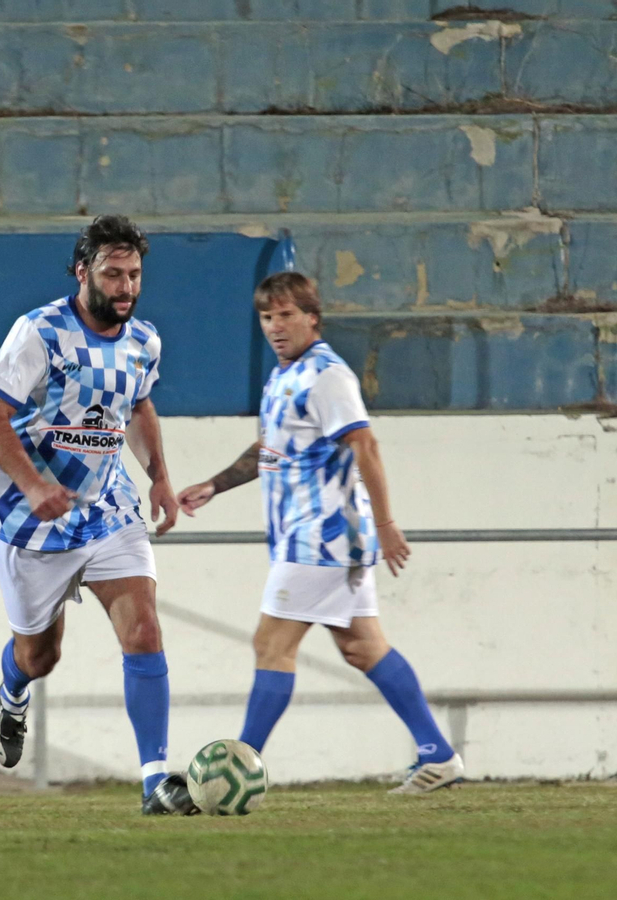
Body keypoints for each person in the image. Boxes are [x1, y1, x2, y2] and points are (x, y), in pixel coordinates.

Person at [176, 271, 464, 794]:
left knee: (270, 644)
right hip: (316, 539)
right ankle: (438, 754)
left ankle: (235, 772)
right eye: (267, 317)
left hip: (322, 537)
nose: (276, 327)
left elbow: (366, 446)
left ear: (313, 317)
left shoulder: (327, 375)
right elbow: (273, 450)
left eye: (286, 315)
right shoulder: (284, 375)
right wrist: (215, 485)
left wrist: (386, 524)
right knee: (363, 647)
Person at [0, 215, 196, 815]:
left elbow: (139, 406)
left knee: (143, 629)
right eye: (113, 274)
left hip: (106, 507)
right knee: (40, 656)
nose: (125, 287)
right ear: (82, 272)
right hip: (30, 517)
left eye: (134, 275)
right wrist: (34, 482)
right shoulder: (38, 332)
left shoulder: (144, 340)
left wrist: (161, 478)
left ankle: (155, 782)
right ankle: (12, 696)